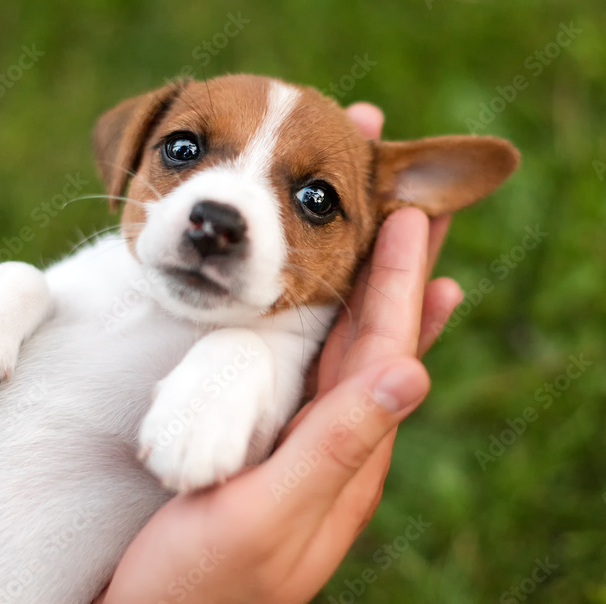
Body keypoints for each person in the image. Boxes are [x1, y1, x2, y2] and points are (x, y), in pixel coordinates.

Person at [96, 103, 464, 604]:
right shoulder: (85, 283)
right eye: (185, 151)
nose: (221, 219)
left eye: (315, 200)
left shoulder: (265, 365)